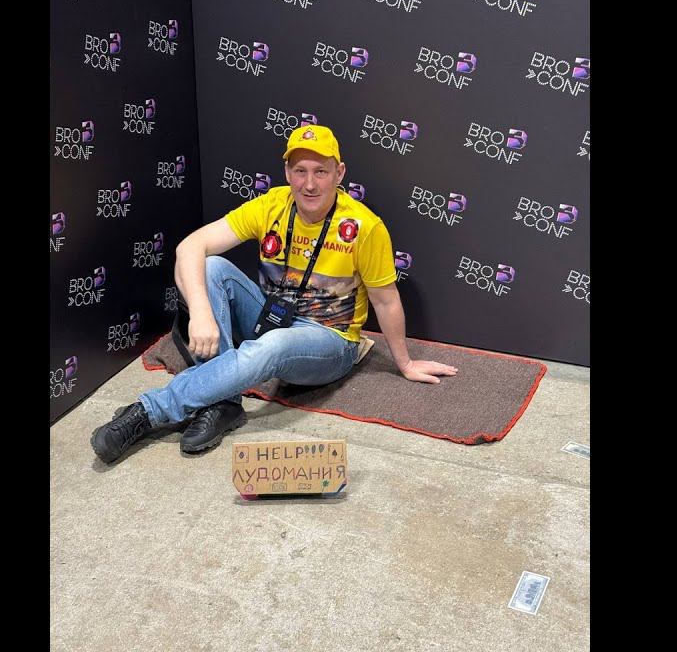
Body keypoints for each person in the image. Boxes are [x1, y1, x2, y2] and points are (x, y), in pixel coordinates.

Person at [91, 124, 458, 464]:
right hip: (272, 315)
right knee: (210, 266)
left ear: (339, 173)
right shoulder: (272, 204)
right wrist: (200, 312)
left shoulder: (364, 226)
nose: (309, 184)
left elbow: (386, 299)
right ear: (287, 173)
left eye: (321, 171)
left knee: (272, 346)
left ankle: (148, 411)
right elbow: (190, 247)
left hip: (329, 341)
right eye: (300, 171)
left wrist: (405, 363)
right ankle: (223, 404)